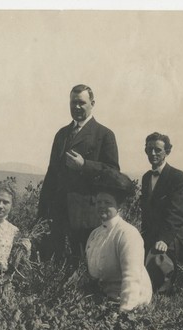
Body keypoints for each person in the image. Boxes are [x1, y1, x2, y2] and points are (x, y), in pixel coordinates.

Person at [38, 84, 119, 265]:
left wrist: (85, 165)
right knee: (56, 264)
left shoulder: (104, 134)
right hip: (58, 213)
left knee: (85, 264)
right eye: (73, 102)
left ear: (92, 103)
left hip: (87, 215)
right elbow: (51, 174)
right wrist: (42, 212)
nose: (76, 107)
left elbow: (113, 173)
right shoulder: (61, 134)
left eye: (81, 103)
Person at [85, 169, 152, 312]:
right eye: (99, 202)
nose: (102, 205)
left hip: (131, 303)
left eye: (107, 202)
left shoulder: (127, 234)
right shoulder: (94, 235)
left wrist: (125, 313)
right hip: (106, 301)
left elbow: (131, 278)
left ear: (119, 206)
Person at [140, 132, 183, 292]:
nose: (153, 153)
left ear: (167, 152)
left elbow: (177, 213)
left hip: (172, 238)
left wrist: (163, 239)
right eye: (149, 149)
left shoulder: (178, 177)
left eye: (158, 150)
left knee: (168, 287)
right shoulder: (146, 177)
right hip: (152, 237)